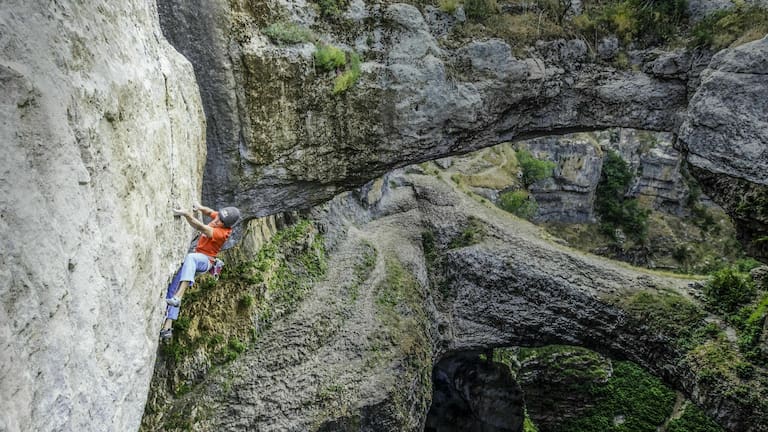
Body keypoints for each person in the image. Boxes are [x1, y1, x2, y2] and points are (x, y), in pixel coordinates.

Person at [159, 203, 240, 339]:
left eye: (220, 220)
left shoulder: (221, 233)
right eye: (218, 216)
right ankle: (167, 327)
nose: (216, 220)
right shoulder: (220, 218)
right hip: (198, 258)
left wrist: (186, 214)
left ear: (226, 225)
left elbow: (200, 227)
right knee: (172, 289)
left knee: (191, 258)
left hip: (205, 261)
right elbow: (210, 212)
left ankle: (178, 297)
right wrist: (200, 207)